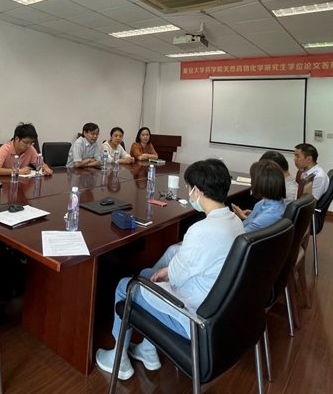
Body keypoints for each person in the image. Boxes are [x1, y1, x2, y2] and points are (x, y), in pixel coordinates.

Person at [95, 159, 244, 381]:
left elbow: (175, 278)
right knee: (147, 274)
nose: (189, 193)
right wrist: (167, 270)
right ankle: (148, 349)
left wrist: (168, 271)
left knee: (125, 286)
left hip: (192, 315)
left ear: (198, 191)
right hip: (216, 306)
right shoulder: (235, 222)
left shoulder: (201, 231)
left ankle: (119, 357)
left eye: (189, 188)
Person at [232, 160, 287, 232]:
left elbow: (239, 235)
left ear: (260, 183)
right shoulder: (268, 202)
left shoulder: (270, 215)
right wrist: (251, 214)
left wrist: (234, 218)